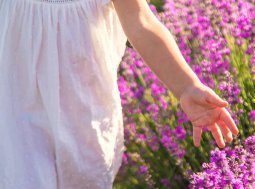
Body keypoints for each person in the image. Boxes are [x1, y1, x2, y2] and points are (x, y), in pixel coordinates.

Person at [0, 0, 239, 188]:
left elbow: (142, 23)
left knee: (85, 179)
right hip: (14, 110)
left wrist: (186, 86)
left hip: (85, 118)